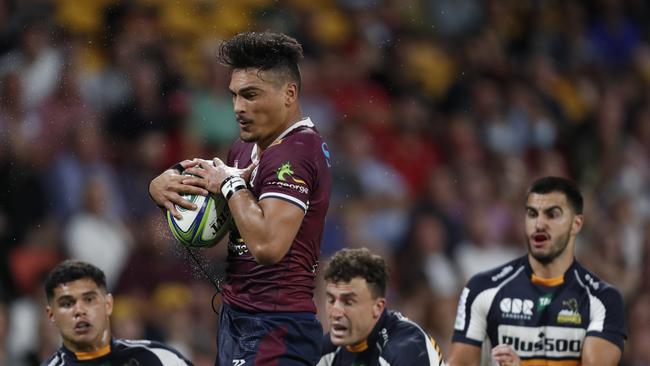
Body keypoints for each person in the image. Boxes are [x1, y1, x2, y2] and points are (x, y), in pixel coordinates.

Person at [149, 31, 332, 365]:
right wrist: (166, 186)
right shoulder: (245, 147)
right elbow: (226, 215)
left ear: (289, 94)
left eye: (250, 95)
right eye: (234, 95)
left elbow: (267, 247)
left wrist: (230, 186)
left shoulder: (297, 152)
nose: (237, 108)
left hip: (277, 329)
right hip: (238, 319)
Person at [449, 176, 626, 366]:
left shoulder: (603, 300)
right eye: (532, 214)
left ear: (576, 224)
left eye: (552, 214)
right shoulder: (482, 289)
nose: (539, 224)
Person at [41, 260, 193, 365]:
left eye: (88, 300)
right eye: (67, 303)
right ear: (52, 315)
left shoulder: (160, 357)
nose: (79, 311)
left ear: (108, 304)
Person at [319, 248, 446, 366]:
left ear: (377, 307)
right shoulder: (329, 349)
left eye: (348, 302)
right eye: (331, 299)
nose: (335, 312)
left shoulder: (408, 349)